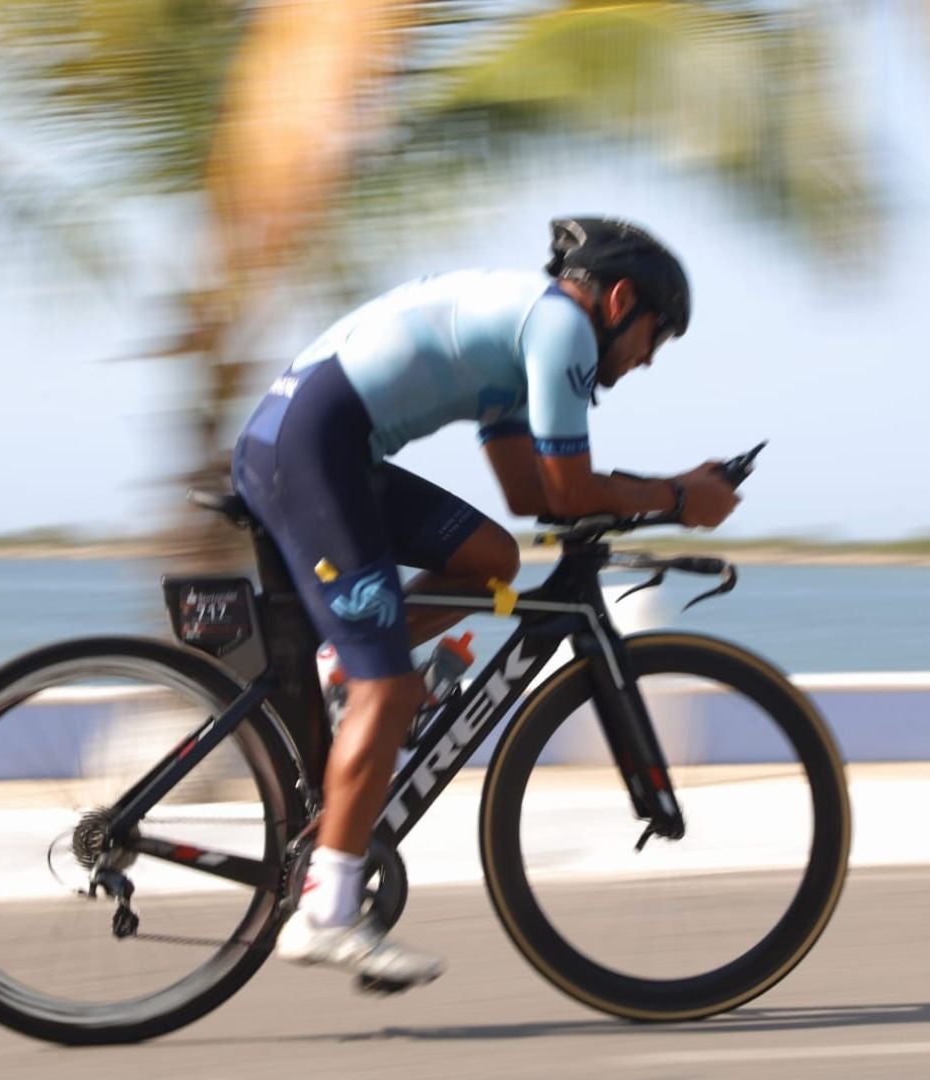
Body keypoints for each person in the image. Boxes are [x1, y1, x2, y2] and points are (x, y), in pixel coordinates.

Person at [231, 216, 739, 989]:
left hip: (319, 446)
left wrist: (661, 497)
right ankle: (327, 914)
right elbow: (571, 491)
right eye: (654, 337)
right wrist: (677, 497)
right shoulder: (562, 329)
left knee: (491, 561)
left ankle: (346, 661)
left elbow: (533, 494)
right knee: (389, 688)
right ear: (620, 301)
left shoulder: (526, 336)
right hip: (307, 454)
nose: (647, 360)